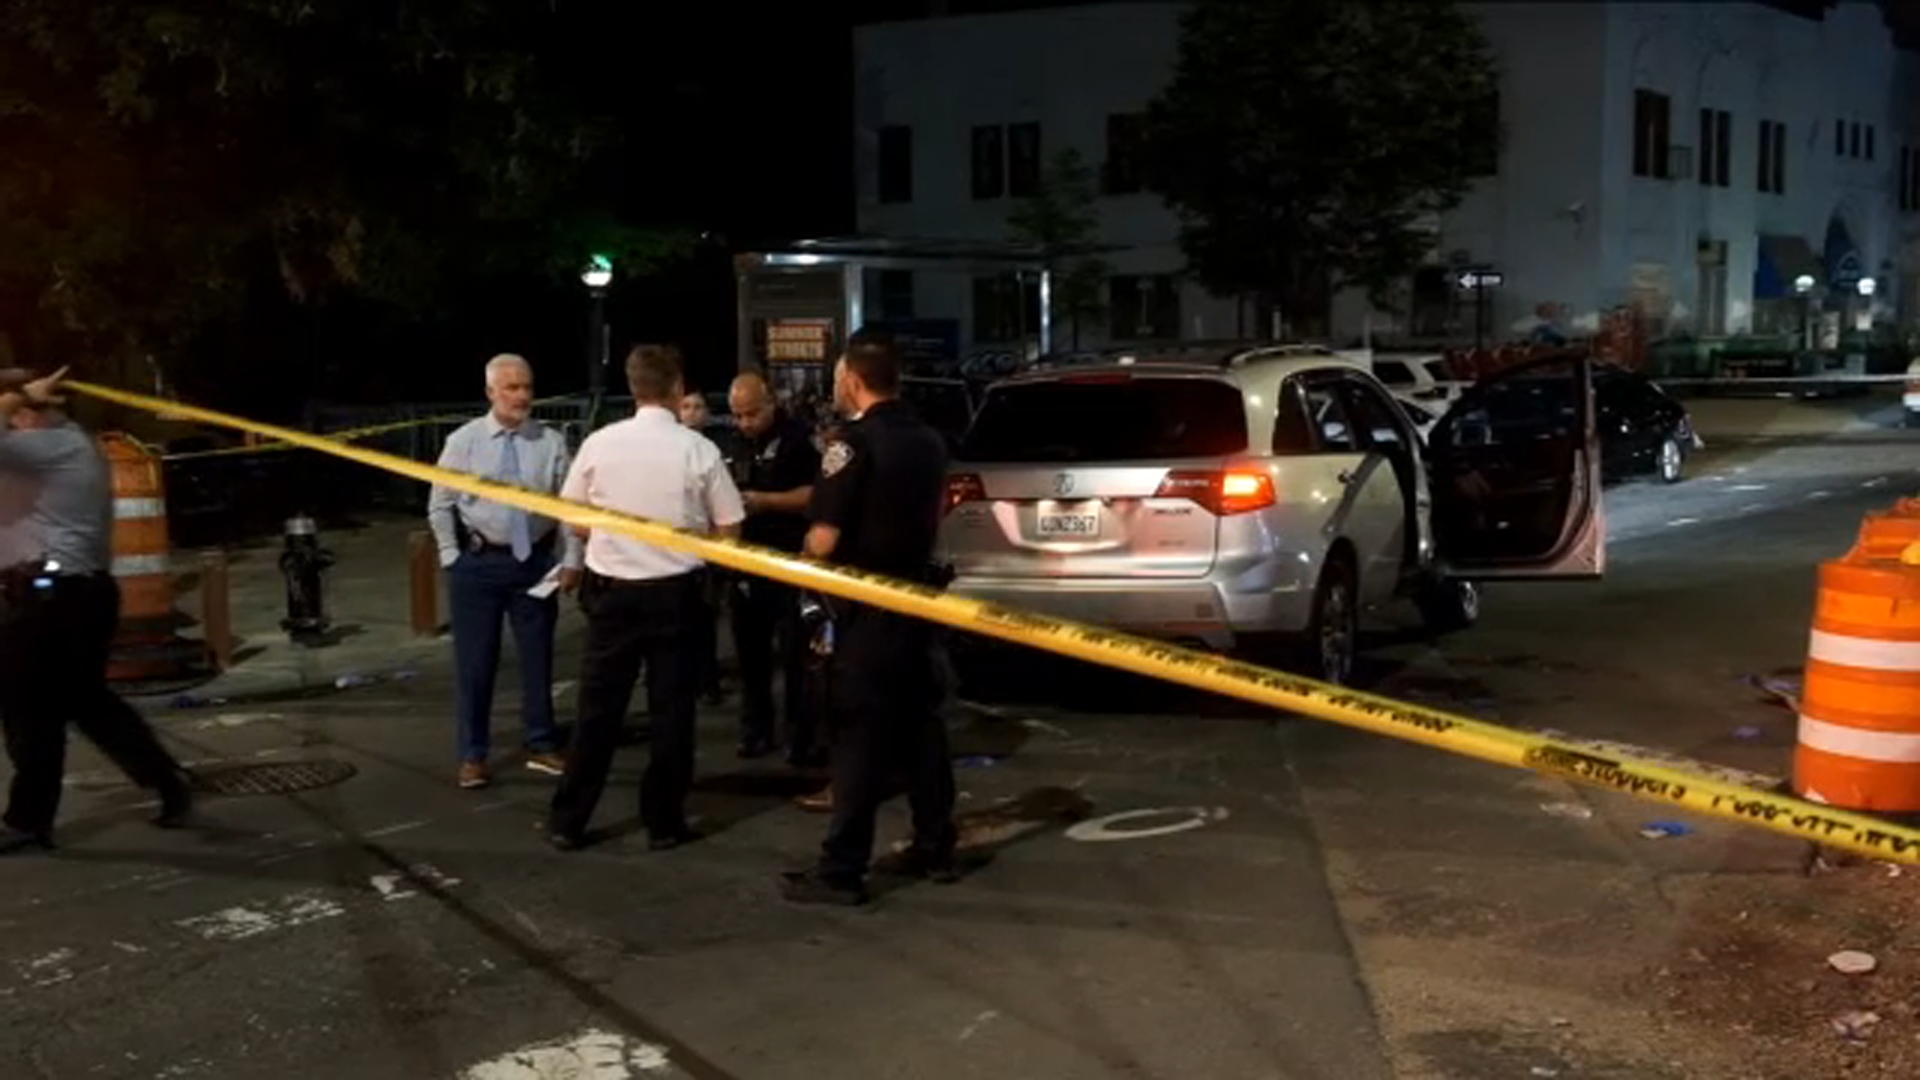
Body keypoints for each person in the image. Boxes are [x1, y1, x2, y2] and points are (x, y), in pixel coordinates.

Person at [781, 331, 957, 906]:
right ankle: (936, 846)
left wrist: (805, 565)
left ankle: (841, 870)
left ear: (852, 380)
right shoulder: (929, 440)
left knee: (857, 738)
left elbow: (825, 540)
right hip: (918, 604)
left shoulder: (850, 445)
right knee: (922, 730)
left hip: (864, 614)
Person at [548, 344, 745, 852]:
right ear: (677, 388)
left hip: (612, 593)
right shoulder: (696, 449)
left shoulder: (599, 444)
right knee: (672, 714)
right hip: (678, 596)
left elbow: (571, 515)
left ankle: (569, 819)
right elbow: (730, 524)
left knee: (597, 710)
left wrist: (613, 542)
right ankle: (663, 821)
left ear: (633, 388)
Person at [0, 366, 193, 854]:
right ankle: (165, 780)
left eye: (15, 414)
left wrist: (17, 393)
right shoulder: (67, 446)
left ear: (28, 413)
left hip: (55, 597)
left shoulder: (54, 447)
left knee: (31, 710)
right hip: (75, 594)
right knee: (87, 703)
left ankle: (28, 821)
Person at [427, 354, 579, 790]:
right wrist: (452, 556)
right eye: (512, 388)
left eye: (527, 386)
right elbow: (440, 504)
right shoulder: (464, 442)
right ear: (491, 392)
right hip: (478, 566)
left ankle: (541, 743)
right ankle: (473, 755)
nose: (522, 396)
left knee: (538, 658)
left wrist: (571, 559)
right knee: (476, 665)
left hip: (533, 562)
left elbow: (569, 508)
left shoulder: (549, 442)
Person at [726, 371, 823, 764]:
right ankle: (756, 730)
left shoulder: (798, 440)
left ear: (770, 404)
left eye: (752, 413)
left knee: (797, 657)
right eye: (737, 415)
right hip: (745, 564)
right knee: (751, 657)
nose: (745, 422)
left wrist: (765, 502)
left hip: (789, 560)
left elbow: (815, 495)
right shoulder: (732, 444)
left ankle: (799, 738)